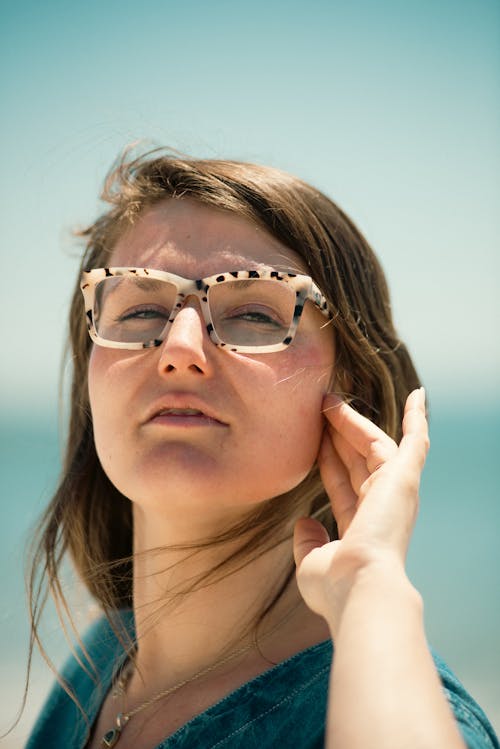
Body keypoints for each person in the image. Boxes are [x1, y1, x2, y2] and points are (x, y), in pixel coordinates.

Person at [25, 148, 498, 749]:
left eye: (252, 312)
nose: (180, 347)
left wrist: (369, 583)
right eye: (140, 309)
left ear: (348, 387)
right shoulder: (99, 667)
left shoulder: (403, 717)